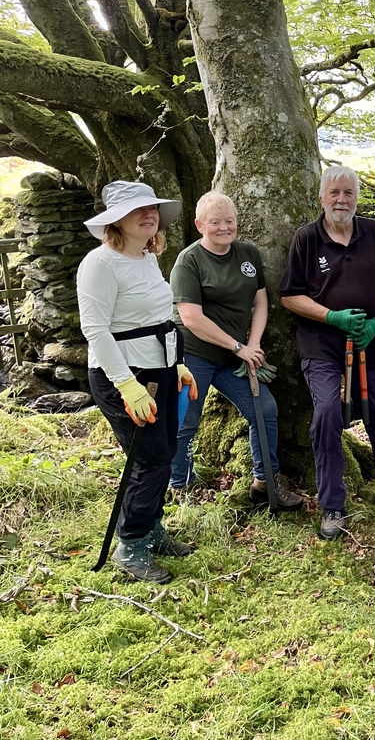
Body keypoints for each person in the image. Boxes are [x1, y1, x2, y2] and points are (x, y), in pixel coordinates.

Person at [279, 164, 375, 539]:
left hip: (367, 342)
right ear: (322, 198)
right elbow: (290, 296)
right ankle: (332, 505)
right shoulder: (306, 239)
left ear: (357, 198)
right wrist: (332, 316)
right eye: (334, 193)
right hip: (321, 345)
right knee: (327, 412)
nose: (341, 200)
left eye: (348, 193)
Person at [77, 181, 198, 583]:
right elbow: (96, 330)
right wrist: (127, 386)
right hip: (123, 376)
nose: (150, 215)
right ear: (116, 220)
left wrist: (176, 365)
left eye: (153, 209)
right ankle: (131, 546)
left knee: (165, 452)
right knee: (150, 460)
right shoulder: (100, 264)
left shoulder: (146, 257)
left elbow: (155, 321)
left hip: (159, 370)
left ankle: (150, 528)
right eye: (137, 210)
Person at [168, 192, 302, 509]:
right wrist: (238, 346)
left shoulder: (247, 254)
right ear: (200, 225)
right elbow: (191, 318)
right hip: (194, 355)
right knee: (186, 420)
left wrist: (253, 344)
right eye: (215, 222)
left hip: (235, 357)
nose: (224, 228)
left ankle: (264, 483)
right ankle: (181, 488)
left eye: (229, 221)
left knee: (264, 410)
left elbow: (260, 301)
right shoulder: (188, 261)